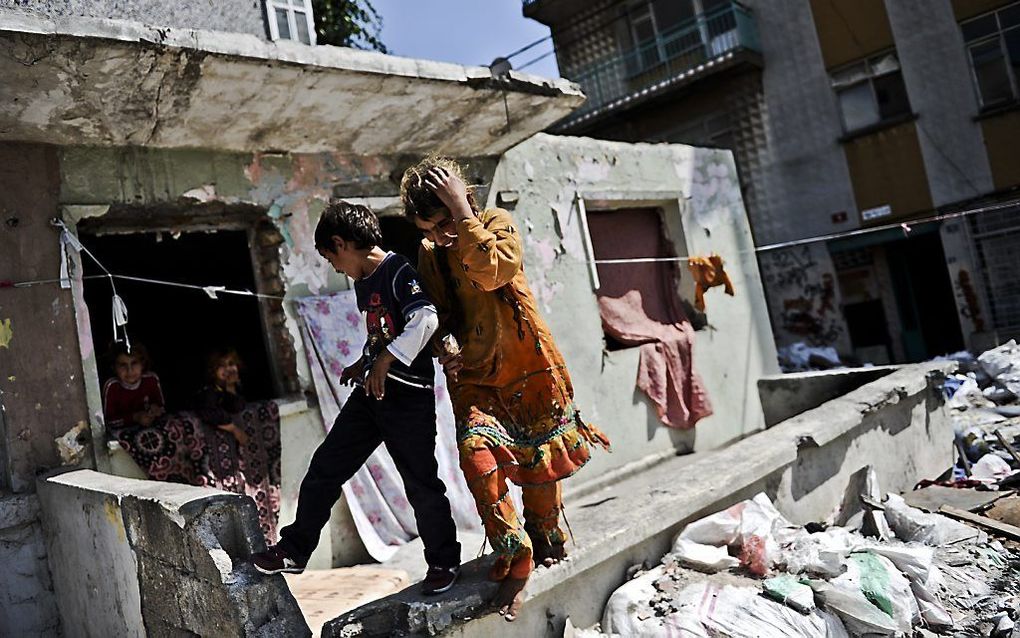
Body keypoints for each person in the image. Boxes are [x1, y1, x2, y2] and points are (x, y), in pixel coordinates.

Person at [400, 157, 610, 621]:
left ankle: (545, 536)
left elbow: (493, 272)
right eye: (428, 230)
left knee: (539, 466)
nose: (438, 238)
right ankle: (515, 558)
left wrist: (463, 212)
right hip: (476, 378)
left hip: (528, 370)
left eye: (442, 224)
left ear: (463, 203)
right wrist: (443, 340)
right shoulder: (432, 253)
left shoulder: (496, 225)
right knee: (476, 455)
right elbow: (438, 312)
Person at [251, 200, 462, 595]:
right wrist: (363, 361)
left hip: (408, 400)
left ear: (340, 243)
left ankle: (445, 562)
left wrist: (383, 361)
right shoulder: (364, 280)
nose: (335, 268)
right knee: (325, 467)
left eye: (332, 258)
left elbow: (424, 319)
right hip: (372, 396)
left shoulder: (397, 269)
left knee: (421, 485)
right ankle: (295, 550)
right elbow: (384, 331)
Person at [102, 342, 165, 430]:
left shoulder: (151, 379)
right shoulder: (112, 387)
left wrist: (155, 410)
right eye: (123, 365)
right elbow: (108, 422)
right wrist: (135, 417)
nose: (130, 370)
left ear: (142, 364)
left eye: (134, 363)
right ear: (114, 368)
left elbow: (162, 408)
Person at [195, 348, 249, 447]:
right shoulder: (209, 391)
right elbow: (209, 413)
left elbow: (237, 407)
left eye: (231, 364)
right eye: (221, 366)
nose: (228, 369)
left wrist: (230, 387)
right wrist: (233, 429)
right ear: (213, 370)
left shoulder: (232, 388)